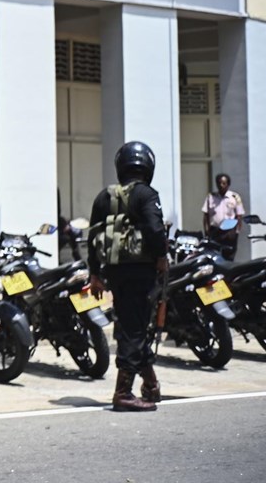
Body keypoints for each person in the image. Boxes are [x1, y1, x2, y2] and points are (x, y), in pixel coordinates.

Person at [86, 141, 168, 412]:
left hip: (113, 272)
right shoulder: (146, 194)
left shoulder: (104, 197)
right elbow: (156, 231)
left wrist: (95, 275)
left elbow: (92, 237)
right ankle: (123, 393)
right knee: (134, 330)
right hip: (140, 272)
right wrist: (161, 258)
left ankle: (151, 384)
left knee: (131, 325)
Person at [201, 172, 245, 260]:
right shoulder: (211, 197)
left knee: (229, 257)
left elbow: (239, 216)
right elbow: (206, 216)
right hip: (215, 232)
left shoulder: (235, 197)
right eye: (219, 183)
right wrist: (207, 232)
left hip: (230, 231)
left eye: (224, 183)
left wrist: (236, 232)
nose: (221, 185)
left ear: (228, 184)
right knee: (214, 257)